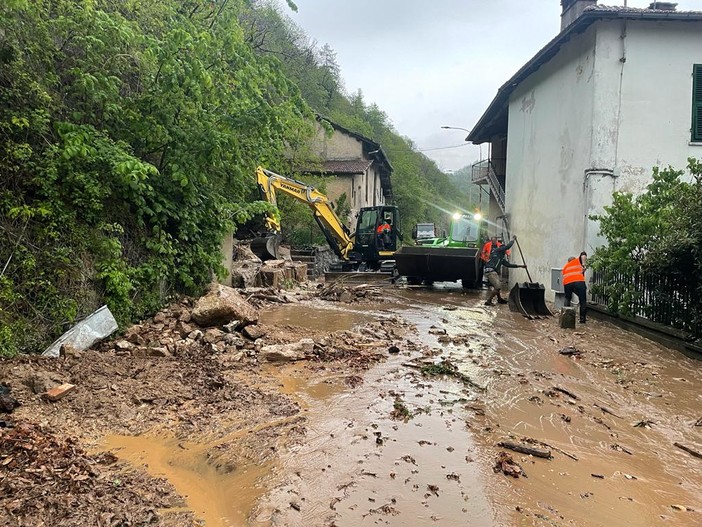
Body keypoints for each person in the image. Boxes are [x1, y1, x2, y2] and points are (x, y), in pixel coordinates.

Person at [483, 235, 526, 306]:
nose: (505, 250)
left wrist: (521, 266)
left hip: (493, 272)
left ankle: (499, 299)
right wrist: (513, 240)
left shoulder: (502, 258)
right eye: (504, 249)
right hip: (490, 271)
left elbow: (509, 265)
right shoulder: (497, 250)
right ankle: (488, 301)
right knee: (498, 287)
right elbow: (507, 247)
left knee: (497, 286)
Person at [562, 251, 588, 323]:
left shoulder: (565, 267)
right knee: (583, 301)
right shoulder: (577, 261)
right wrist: (583, 265)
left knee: (567, 298)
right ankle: (582, 320)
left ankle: (566, 318)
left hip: (567, 283)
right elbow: (583, 254)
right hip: (578, 282)